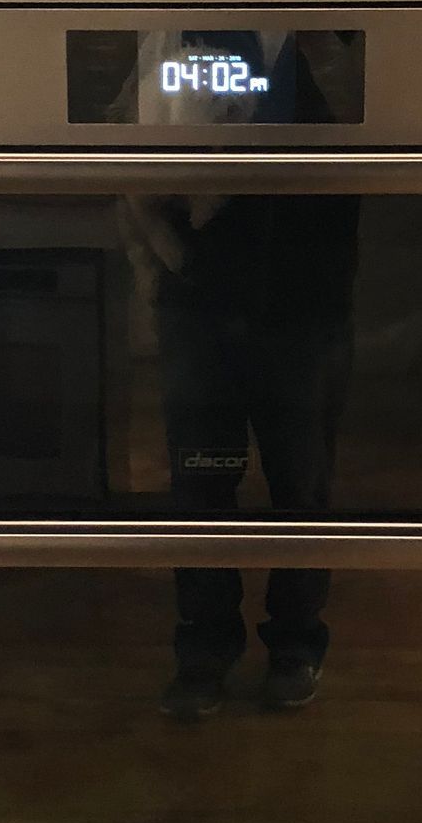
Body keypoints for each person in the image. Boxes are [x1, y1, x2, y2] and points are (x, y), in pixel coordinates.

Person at [141, 191, 361, 720]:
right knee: (205, 486)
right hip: (202, 294)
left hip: (298, 290)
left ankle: (283, 645)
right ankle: (224, 646)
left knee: (298, 481)